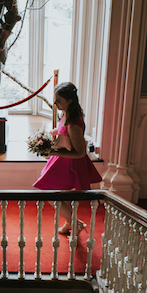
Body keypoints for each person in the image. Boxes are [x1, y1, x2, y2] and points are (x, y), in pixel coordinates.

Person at [33, 82, 102, 235]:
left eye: (59, 101)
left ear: (70, 100)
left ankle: (74, 223)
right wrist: (48, 134)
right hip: (61, 160)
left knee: (50, 193)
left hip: (70, 164)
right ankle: (72, 222)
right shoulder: (67, 113)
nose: (55, 103)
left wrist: (53, 152)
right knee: (57, 194)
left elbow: (80, 153)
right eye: (55, 99)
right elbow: (62, 129)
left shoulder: (74, 124)